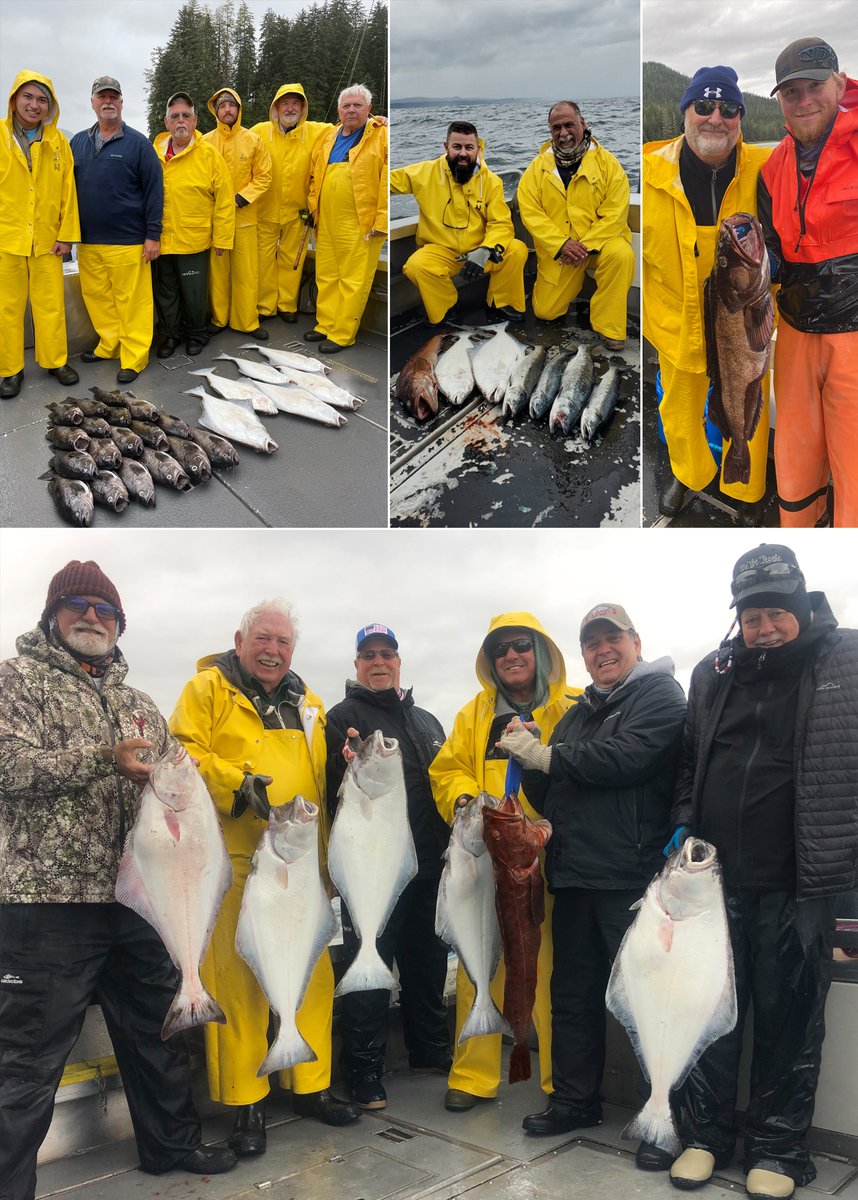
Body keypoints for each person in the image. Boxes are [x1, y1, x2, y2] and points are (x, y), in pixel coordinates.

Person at [0, 560, 237, 1199]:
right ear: (52, 614)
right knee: (27, 1057)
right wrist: (103, 759)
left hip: (139, 902)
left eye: (105, 610)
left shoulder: (139, 703)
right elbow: (7, 768)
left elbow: (171, 793)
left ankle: (172, 1144)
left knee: (156, 1032)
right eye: (77, 605)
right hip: (49, 904)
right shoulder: (14, 681)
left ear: (119, 624)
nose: (92, 617)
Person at [665, 545, 858, 1200]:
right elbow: (691, 764)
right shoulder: (711, 674)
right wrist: (683, 823)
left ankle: (777, 1150)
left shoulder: (849, 658)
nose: (765, 626)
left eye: (777, 611)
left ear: (802, 605)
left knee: (788, 1020)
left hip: (798, 882)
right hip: (710, 884)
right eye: (752, 615)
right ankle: (703, 1137)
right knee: (707, 1013)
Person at [169, 599, 359, 1161]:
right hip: (236, 860)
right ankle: (246, 1100)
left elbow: (322, 784)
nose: (273, 650)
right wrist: (238, 784)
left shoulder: (311, 704)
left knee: (313, 973)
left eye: (283, 642)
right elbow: (180, 753)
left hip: (301, 862)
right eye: (263, 639)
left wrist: (328, 859)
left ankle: (312, 1084)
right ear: (240, 639)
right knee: (236, 979)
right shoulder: (206, 690)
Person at [499, 604, 686, 1159]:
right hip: (574, 876)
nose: (602, 651)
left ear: (635, 641)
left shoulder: (660, 696)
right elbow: (555, 792)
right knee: (573, 997)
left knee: (650, 1001)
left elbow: (626, 758)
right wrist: (529, 764)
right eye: (591, 643)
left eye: (612, 639)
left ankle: (667, 1115)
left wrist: (549, 756)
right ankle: (576, 1101)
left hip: (631, 877)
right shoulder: (579, 713)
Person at [428, 613, 573, 1112]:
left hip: (547, 859)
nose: (511, 657)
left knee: (549, 968)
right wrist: (468, 800)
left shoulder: (570, 707)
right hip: (486, 859)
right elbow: (445, 771)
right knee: (479, 966)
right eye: (500, 651)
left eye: (520, 646)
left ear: (540, 651)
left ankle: (560, 1083)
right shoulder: (473, 714)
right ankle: (473, 1075)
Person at [325, 624, 451, 1111]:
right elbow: (332, 783)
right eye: (368, 655)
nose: (379, 662)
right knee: (370, 963)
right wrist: (347, 762)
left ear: (400, 662)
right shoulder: (342, 718)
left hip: (428, 865)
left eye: (387, 654)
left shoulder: (426, 721)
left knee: (428, 962)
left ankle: (430, 1050)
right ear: (356, 666)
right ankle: (364, 1073)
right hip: (372, 866)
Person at [643, 67, 772, 523]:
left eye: (729, 108)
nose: (715, 117)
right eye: (703, 106)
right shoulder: (646, 167)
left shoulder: (766, 166)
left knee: (748, 406)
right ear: (685, 113)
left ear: (740, 118)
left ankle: (746, 480)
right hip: (676, 328)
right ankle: (690, 475)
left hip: (744, 327)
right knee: (678, 416)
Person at [758, 38, 858, 528]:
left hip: (854, 341)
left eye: (814, 86)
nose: (804, 101)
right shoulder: (771, 168)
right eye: (790, 92)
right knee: (794, 463)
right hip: (794, 332)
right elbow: (774, 245)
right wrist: (758, 261)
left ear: (839, 83)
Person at [518, 100, 634, 351]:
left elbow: (615, 213)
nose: (563, 133)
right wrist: (561, 244)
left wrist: (586, 245)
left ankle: (609, 327)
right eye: (556, 128)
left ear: (582, 123)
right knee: (546, 312)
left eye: (569, 125)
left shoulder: (608, 164)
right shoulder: (535, 170)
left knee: (621, 255)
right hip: (562, 252)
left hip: (601, 246)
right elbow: (530, 213)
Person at [70, 75, 164, 385]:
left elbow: (155, 191)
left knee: (132, 303)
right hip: (87, 241)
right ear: (93, 103)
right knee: (98, 299)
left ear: (122, 103)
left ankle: (134, 356)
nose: (108, 101)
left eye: (114, 96)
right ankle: (109, 345)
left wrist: (153, 235)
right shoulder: (78, 142)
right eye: (102, 96)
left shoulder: (138, 144)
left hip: (127, 240)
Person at [390, 121, 528, 326]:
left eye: (468, 147)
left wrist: (487, 249)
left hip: (480, 250)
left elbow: (501, 223)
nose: (463, 153)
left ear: (477, 149)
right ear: (446, 147)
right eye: (457, 147)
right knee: (415, 265)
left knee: (517, 249)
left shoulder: (491, 181)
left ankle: (501, 303)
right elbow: (383, 180)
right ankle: (446, 309)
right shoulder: (423, 173)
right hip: (441, 250)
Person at [0, 70, 80, 400]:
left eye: (42, 99)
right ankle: (10, 369)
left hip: (48, 240)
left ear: (51, 106)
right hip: (7, 240)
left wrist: (67, 235)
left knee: (50, 305)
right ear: (15, 99)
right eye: (28, 97)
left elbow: (68, 192)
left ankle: (54, 361)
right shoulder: (1, 136)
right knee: (7, 307)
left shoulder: (58, 141)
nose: (34, 105)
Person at [304, 85, 387, 353]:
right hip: (326, 219)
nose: (351, 110)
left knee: (353, 280)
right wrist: (313, 208)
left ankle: (342, 333)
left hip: (360, 222)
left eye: (357, 105)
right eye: (346, 106)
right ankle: (325, 324)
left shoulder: (382, 135)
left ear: (369, 109)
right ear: (339, 110)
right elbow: (315, 176)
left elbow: (386, 181)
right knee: (326, 274)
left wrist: (382, 222)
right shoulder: (328, 136)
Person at [152, 92, 234, 358]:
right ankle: (171, 334)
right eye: (174, 116)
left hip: (194, 239)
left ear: (195, 120)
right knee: (167, 292)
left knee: (194, 293)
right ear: (166, 122)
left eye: (186, 115)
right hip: (162, 238)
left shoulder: (209, 155)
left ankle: (196, 332)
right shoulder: (154, 154)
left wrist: (222, 238)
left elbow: (223, 199)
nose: (180, 121)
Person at [251, 84, 333, 323]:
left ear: (303, 107)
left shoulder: (318, 131)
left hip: (298, 212)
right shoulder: (258, 131)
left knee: (291, 260)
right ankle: (266, 307)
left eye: (295, 103)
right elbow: (235, 144)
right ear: (276, 107)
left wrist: (374, 120)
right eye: (284, 103)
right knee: (263, 261)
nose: (290, 108)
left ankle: (286, 305)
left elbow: (347, 124)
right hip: (263, 210)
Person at [203, 88, 272, 341]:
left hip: (245, 217)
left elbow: (264, 176)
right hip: (215, 219)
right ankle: (219, 319)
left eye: (232, 105)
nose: (227, 110)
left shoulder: (253, 140)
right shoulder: (205, 142)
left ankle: (247, 321)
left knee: (246, 273)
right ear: (216, 111)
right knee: (217, 273)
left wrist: (241, 199)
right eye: (222, 106)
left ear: (239, 109)